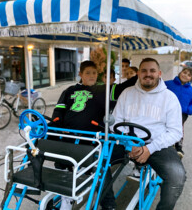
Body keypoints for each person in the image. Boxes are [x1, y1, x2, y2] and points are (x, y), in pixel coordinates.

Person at [49, 60, 137, 210]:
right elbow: (58, 112)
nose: (91, 76)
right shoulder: (69, 90)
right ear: (80, 74)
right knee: (59, 157)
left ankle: (108, 204)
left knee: (101, 167)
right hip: (69, 137)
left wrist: (138, 72)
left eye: (94, 73)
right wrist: (58, 126)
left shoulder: (103, 90)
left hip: (92, 139)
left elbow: (124, 87)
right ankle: (66, 194)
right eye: (88, 73)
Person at [108, 57, 186, 210]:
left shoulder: (170, 98)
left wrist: (149, 149)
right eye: (144, 70)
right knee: (98, 164)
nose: (148, 74)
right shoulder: (126, 93)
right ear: (138, 73)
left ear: (159, 73)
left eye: (152, 71)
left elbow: (175, 132)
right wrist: (129, 144)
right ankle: (108, 205)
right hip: (127, 142)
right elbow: (115, 122)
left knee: (177, 176)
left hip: (157, 146)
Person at [165, 67, 192, 158]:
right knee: (165, 125)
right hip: (166, 110)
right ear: (180, 72)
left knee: (178, 128)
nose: (185, 75)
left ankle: (178, 147)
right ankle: (168, 143)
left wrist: (188, 110)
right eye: (184, 72)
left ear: (191, 78)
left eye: (189, 75)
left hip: (181, 113)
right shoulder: (167, 84)